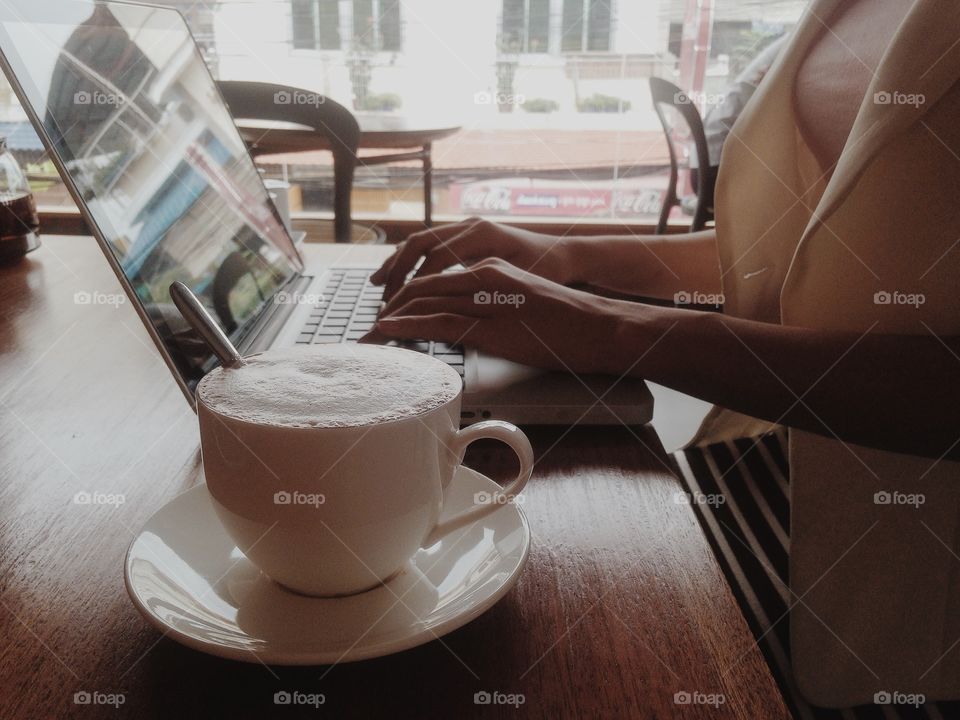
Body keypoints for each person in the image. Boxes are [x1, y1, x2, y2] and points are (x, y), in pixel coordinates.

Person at [368, 0, 960, 708]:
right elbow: (806, 256)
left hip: (910, 600)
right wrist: (570, 253)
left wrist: (617, 330)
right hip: (763, 476)